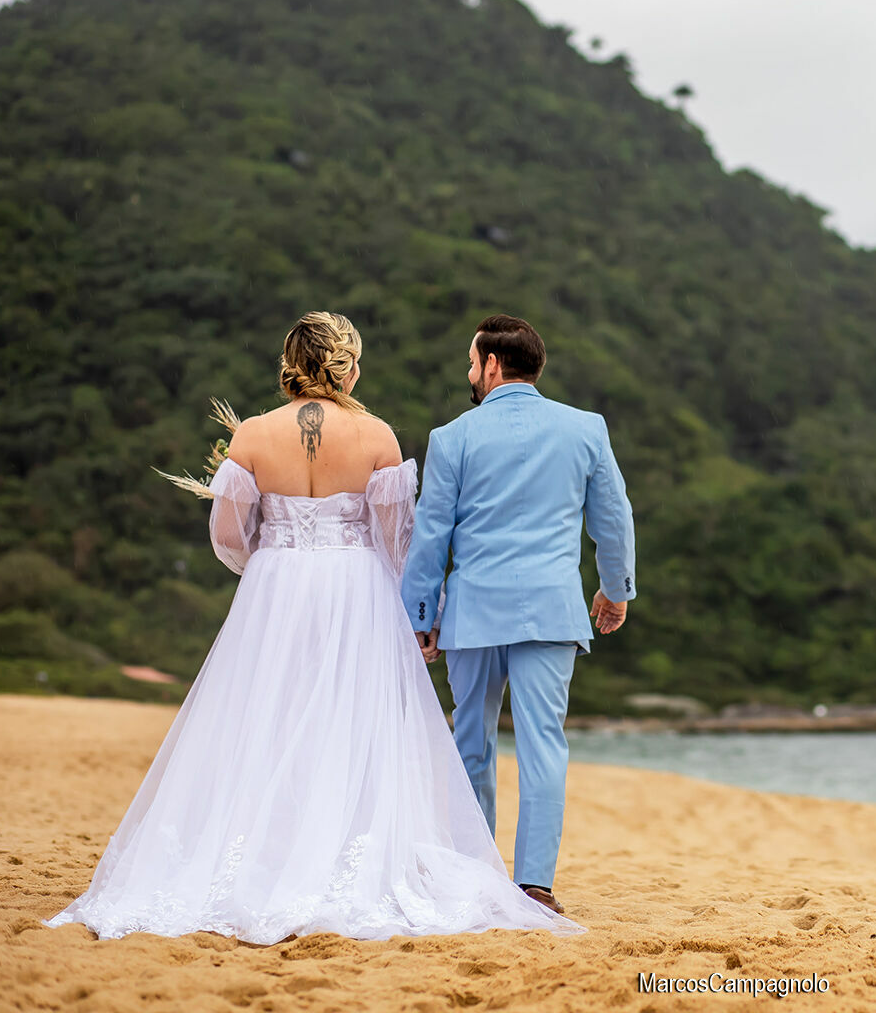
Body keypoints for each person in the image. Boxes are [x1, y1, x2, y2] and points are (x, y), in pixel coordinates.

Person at [44, 311, 583, 943]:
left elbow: (226, 537)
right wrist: (415, 611)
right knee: (352, 721)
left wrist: (271, 563)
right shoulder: (378, 437)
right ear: (346, 364)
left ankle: (266, 849)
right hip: (356, 589)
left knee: (269, 715)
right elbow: (400, 543)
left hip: (276, 591)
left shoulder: (250, 438)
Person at [403, 313, 635, 916]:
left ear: (493, 366)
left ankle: (477, 876)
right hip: (551, 611)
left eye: (472, 363)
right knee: (543, 747)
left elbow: (432, 534)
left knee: (470, 743)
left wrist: (421, 613)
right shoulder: (586, 429)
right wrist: (616, 591)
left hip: (474, 612)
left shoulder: (452, 437)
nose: (469, 373)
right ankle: (535, 885)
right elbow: (613, 518)